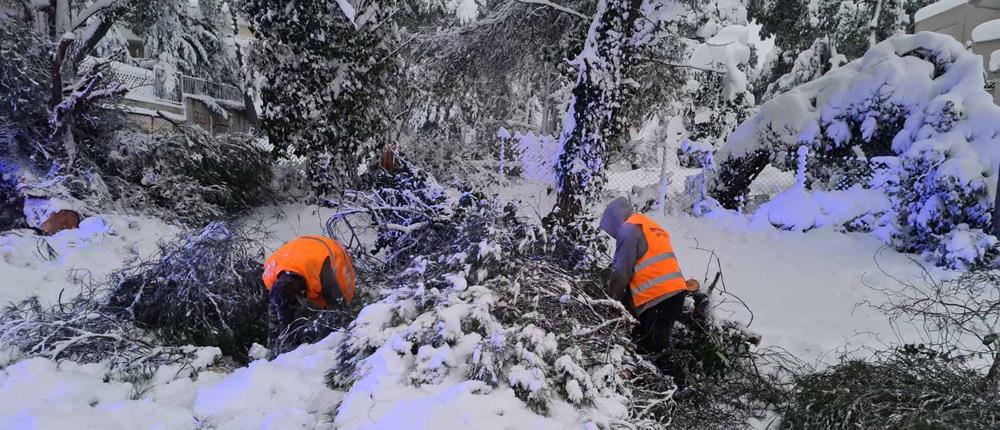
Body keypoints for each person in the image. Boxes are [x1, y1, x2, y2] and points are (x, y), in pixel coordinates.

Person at [600, 198, 699, 371]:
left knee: (656, 351)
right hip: (672, 292)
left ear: (615, 220)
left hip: (657, 297)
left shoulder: (629, 229)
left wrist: (612, 302)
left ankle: (679, 390)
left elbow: (621, 272)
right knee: (644, 345)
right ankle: (656, 385)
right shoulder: (648, 225)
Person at [262, 235, 357, 334]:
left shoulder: (322, 271)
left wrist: (343, 325)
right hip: (298, 249)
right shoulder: (269, 276)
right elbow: (276, 310)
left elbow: (338, 303)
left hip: (328, 250)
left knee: (338, 303)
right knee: (284, 308)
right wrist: (277, 337)